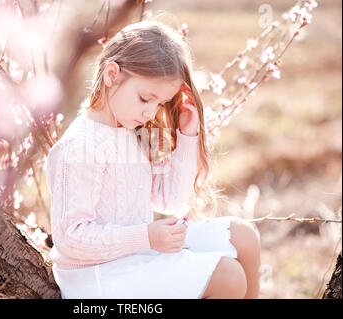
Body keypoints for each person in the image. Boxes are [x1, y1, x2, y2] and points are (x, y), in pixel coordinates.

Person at [44, 20, 261, 299]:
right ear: (112, 75)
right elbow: (71, 238)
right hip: (97, 277)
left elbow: (171, 201)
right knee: (228, 278)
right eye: (146, 98)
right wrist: (146, 236)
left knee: (243, 236)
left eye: (160, 103)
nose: (151, 112)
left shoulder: (138, 131)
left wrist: (188, 134)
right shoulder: (79, 146)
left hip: (140, 253)